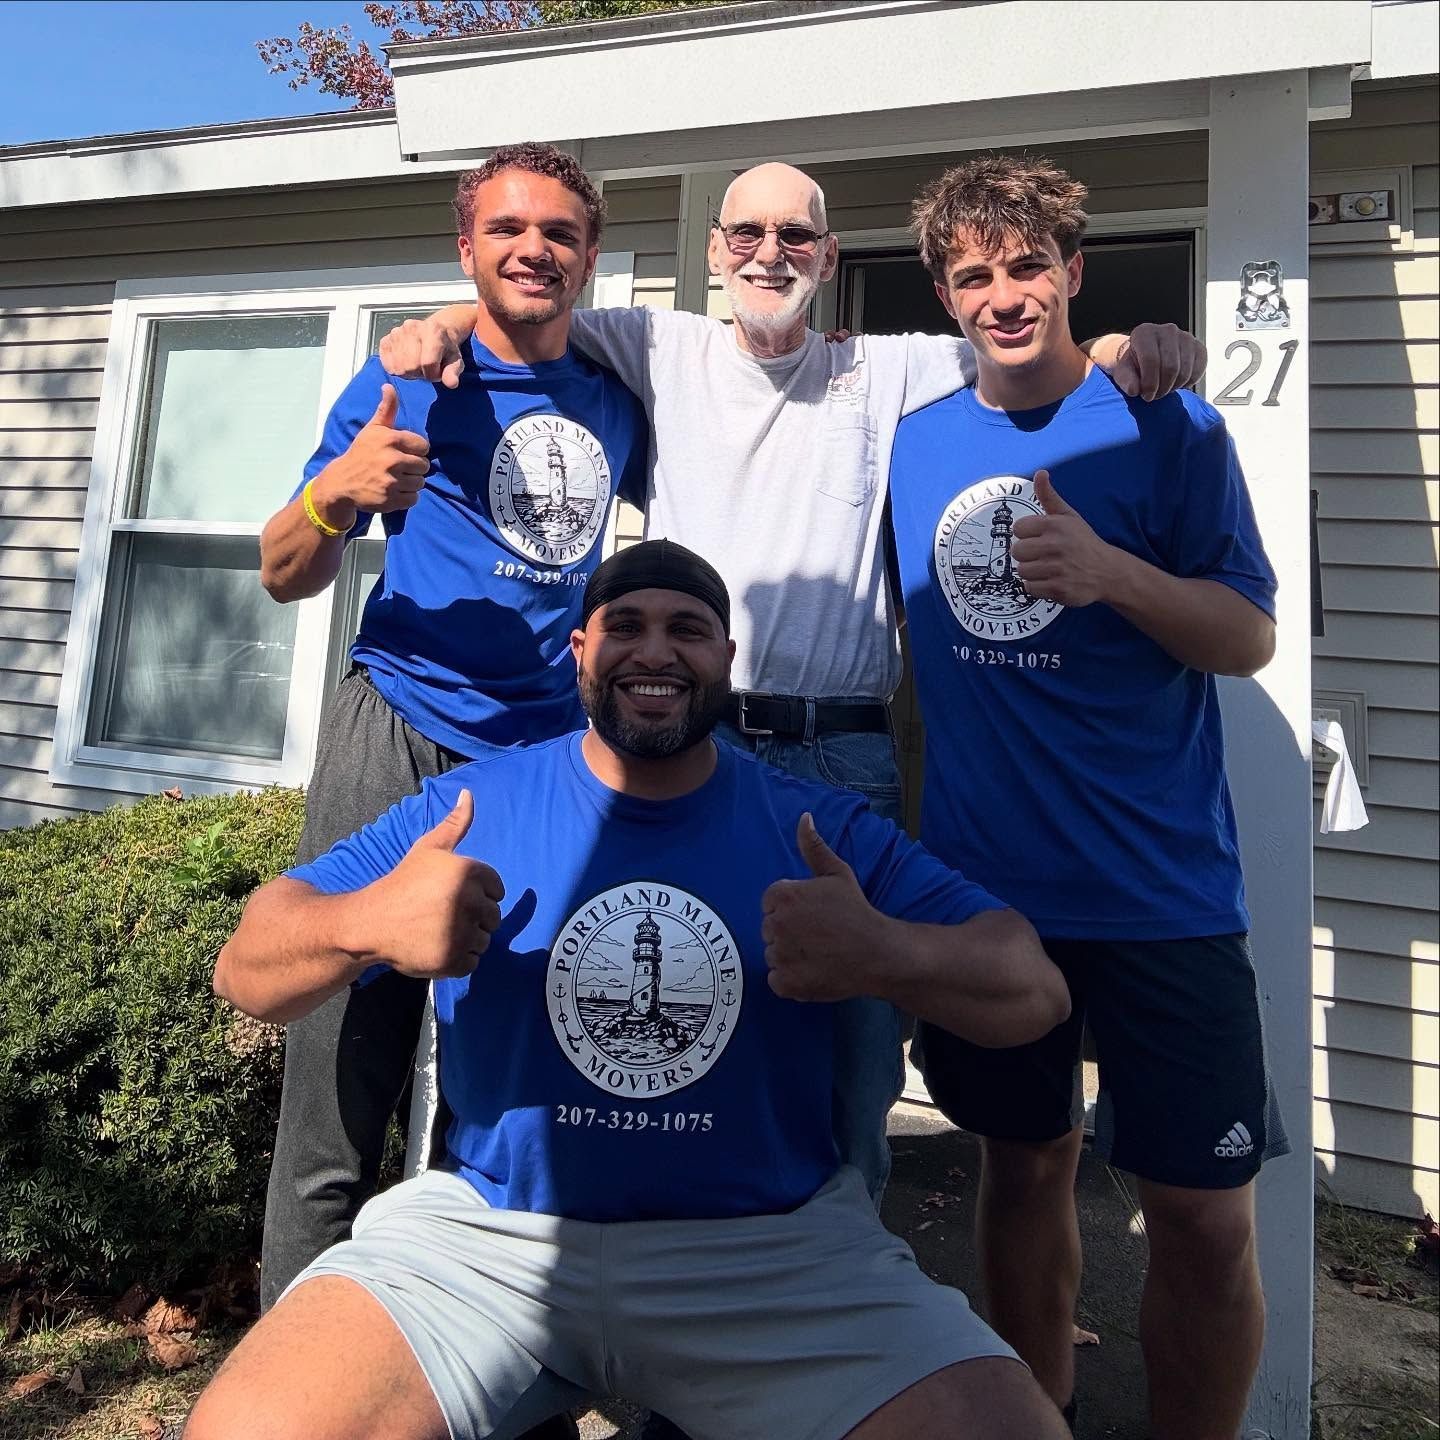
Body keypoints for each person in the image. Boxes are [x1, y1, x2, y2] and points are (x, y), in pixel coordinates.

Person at [379, 160, 1207, 1215]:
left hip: (841, 763)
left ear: (827, 255)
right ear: (717, 250)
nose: (770, 255)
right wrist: (442, 321)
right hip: (693, 754)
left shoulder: (891, 371)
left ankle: (839, 1288)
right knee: (681, 1021)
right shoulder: (657, 344)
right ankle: (655, 1280)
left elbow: (1023, 337)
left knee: (851, 1061)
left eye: (798, 237)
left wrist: (1122, 346)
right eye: (747, 235)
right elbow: (526, 297)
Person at [187, 540, 1074, 1440]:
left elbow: (1031, 988)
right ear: (580, 651)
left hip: (770, 1252)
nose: (655, 652)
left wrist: (886, 955)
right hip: (491, 1238)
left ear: (727, 661)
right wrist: (366, 924)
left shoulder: (815, 826)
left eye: (687, 629)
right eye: (626, 627)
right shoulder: (473, 809)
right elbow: (246, 968)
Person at [889, 153, 1286, 1440]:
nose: (1002, 296)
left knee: (1205, 1217)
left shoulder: (1167, 421)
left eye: (1023, 267)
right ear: (945, 296)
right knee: (1022, 1168)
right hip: (992, 893)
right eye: (972, 275)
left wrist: (1112, 573)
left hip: (1162, 890)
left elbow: (1244, 638)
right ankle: (1039, 1417)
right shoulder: (912, 443)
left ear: (1070, 272)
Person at [254, 141, 648, 1337]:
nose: (535, 249)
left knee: (501, 1074)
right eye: (508, 229)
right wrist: (340, 493)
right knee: (342, 1067)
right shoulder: (408, 383)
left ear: (588, 258)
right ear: (466, 247)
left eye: (560, 233)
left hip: (536, 762)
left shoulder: (617, 397)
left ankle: (464, 1350)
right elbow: (282, 570)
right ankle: (297, 1357)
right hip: (399, 728)